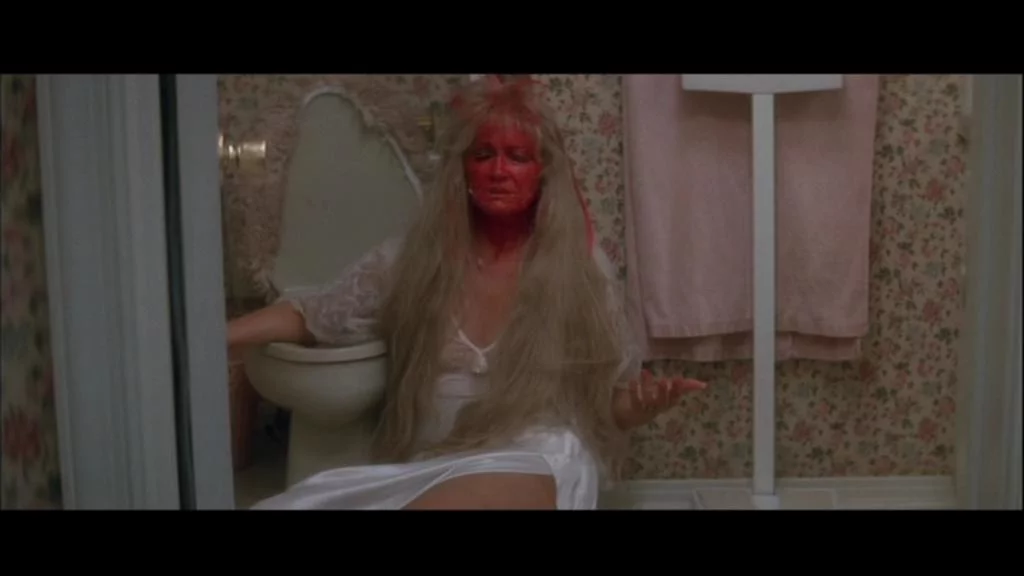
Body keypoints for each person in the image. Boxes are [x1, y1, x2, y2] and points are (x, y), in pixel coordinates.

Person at [227, 76, 706, 510]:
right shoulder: (416, 257)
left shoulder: (579, 269)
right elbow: (313, 314)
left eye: (517, 157)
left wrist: (639, 406)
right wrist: (218, 336)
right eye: (483, 155)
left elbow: (609, 406)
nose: (498, 170)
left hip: (538, 457)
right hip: (435, 461)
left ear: (542, 172)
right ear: (463, 168)